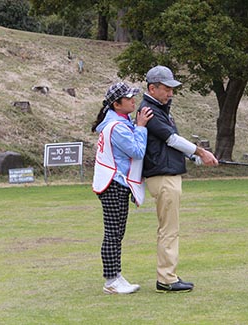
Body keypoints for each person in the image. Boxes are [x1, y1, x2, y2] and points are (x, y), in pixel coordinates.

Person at [139, 65, 219, 293]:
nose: (171, 93)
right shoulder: (149, 110)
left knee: (170, 227)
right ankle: (166, 279)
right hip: (163, 176)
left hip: (168, 174)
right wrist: (200, 152)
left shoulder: (160, 109)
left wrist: (195, 157)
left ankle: (168, 275)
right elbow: (172, 139)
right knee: (169, 229)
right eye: (166, 89)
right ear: (152, 88)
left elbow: (171, 142)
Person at [91, 82, 153, 294]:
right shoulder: (116, 126)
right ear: (117, 104)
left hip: (114, 182)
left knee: (116, 232)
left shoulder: (117, 122)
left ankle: (116, 276)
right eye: (128, 98)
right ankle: (111, 280)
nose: (133, 100)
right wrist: (142, 127)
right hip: (114, 183)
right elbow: (136, 151)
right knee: (113, 233)